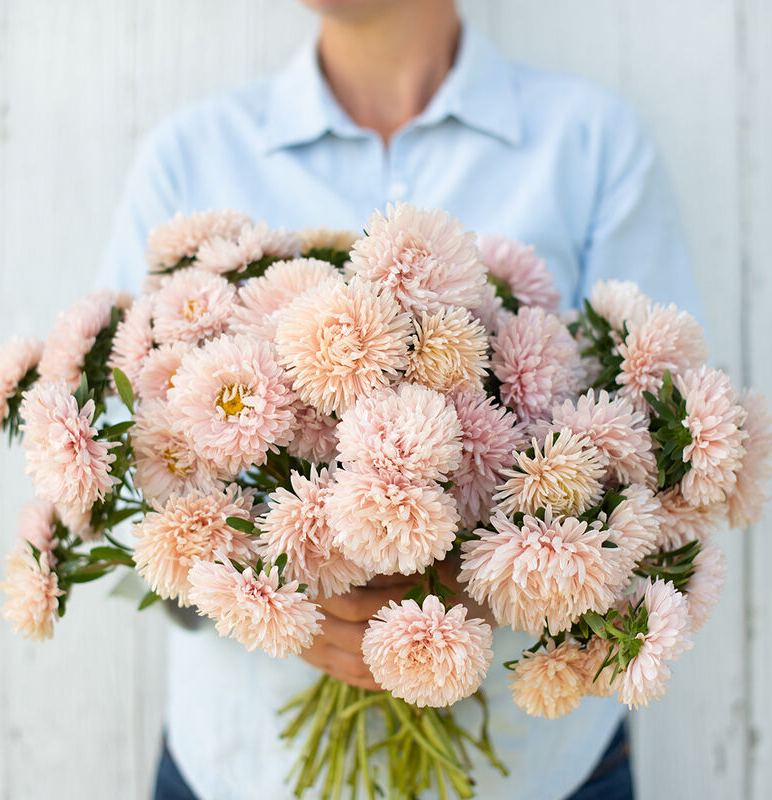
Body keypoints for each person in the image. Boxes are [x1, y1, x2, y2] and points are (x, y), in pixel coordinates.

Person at [99, 1, 702, 798]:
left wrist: (505, 574)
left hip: (542, 773)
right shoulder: (188, 156)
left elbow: (675, 444)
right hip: (244, 771)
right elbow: (116, 469)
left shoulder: (589, 142)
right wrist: (273, 592)